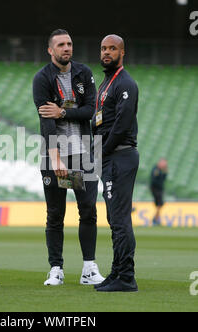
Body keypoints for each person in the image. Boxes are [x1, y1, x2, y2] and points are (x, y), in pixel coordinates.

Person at [33, 29, 105, 286]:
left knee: (88, 210)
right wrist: (56, 159)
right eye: (61, 45)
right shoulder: (42, 78)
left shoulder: (83, 73)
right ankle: (56, 269)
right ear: (50, 50)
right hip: (56, 155)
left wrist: (62, 112)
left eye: (70, 44)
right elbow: (45, 120)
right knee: (55, 213)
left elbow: (90, 110)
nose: (67, 48)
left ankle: (89, 268)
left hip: (84, 152)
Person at [92, 35, 139, 292]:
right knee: (114, 218)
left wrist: (103, 151)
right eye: (103, 48)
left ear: (122, 52)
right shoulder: (107, 82)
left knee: (120, 219)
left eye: (112, 48)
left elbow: (121, 125)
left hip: (119, 155)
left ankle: (126, 277)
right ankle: (117, 271)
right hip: (110, 155)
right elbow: (101, 120)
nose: (106, 52)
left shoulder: (125, 83)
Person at [150, 158, 168, 226]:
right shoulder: (156, 169)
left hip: (159, 189)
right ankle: (155, 219)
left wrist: (165, 172)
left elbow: (163, 179)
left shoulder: (160, 170)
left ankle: (156, 218)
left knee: (159, 204)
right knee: (159, 204)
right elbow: (154, 180)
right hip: (156, 189)